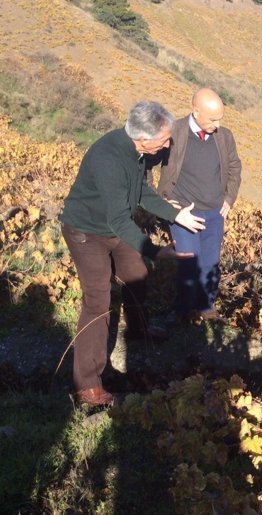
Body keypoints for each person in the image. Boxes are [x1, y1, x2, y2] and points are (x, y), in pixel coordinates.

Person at [60, 101, 206, 406]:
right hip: (86, 231)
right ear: (144, 139)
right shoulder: (109, 159)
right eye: (165, 140)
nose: (169, 144)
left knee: (137, 273)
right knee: (98, 299)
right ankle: (86, 384)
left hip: (113, 226)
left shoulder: (136, 152)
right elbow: (118, 220)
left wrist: (174, 215)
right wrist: (154, 250)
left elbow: (140, 192)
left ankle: (139, 329)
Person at [157, 88, 242, 324]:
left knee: (210, 263)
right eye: (213, 119)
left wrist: (229, 198)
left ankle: (207, 308)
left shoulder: (224, 137)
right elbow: (148, 158)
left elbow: (235, 167)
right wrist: (162, 200)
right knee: (188, 262)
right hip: (184, 212)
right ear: (196, 112)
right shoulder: (174, 133)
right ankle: (181, 310)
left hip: (215, 212)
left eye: (220, 119)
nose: (217, 124)